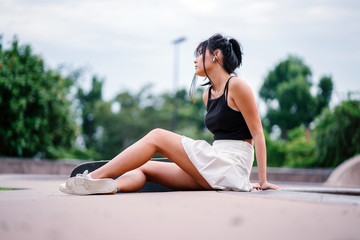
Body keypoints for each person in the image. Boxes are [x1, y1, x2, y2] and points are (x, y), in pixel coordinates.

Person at [60, 33, 280, 195]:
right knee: (144, 167)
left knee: (157, 136)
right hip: (216, 166)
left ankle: (91, 177)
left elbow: (258, 134)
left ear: (217, 55)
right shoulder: (208, 94)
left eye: (200, 53)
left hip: (231, 165)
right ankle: (104, 186)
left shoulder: (238, 85)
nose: (195, 59)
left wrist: (261, 180)